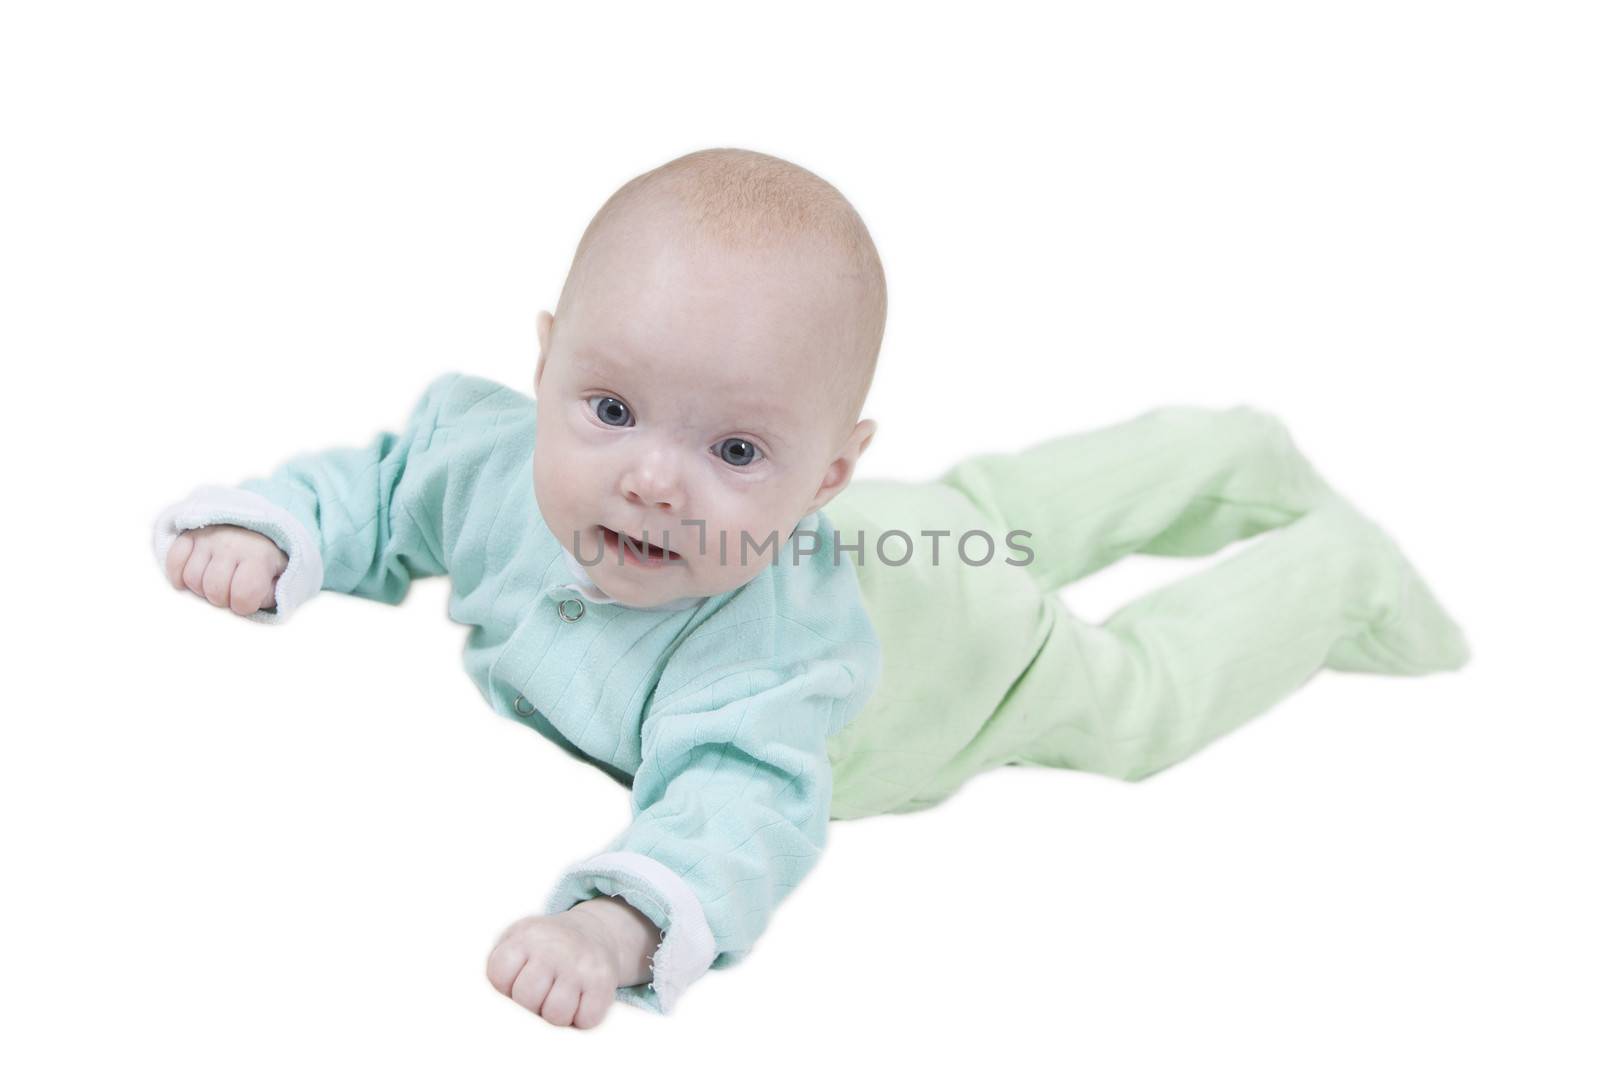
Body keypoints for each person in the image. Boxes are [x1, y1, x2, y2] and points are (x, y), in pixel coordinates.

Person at [150, 147, 1471, 1029]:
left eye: (734, 449)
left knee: (1126, 696)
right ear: (545, 367)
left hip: (954, 661)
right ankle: (1225, 451)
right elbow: (383, 489)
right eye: (610, 407)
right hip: (896, 536)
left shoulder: (770, 667)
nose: (655, 481)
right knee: (982, 514)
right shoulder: (494, 463)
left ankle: (1331, 570)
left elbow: (742, 802)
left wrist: (617, 924)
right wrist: (279, 536)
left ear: (826, 468)